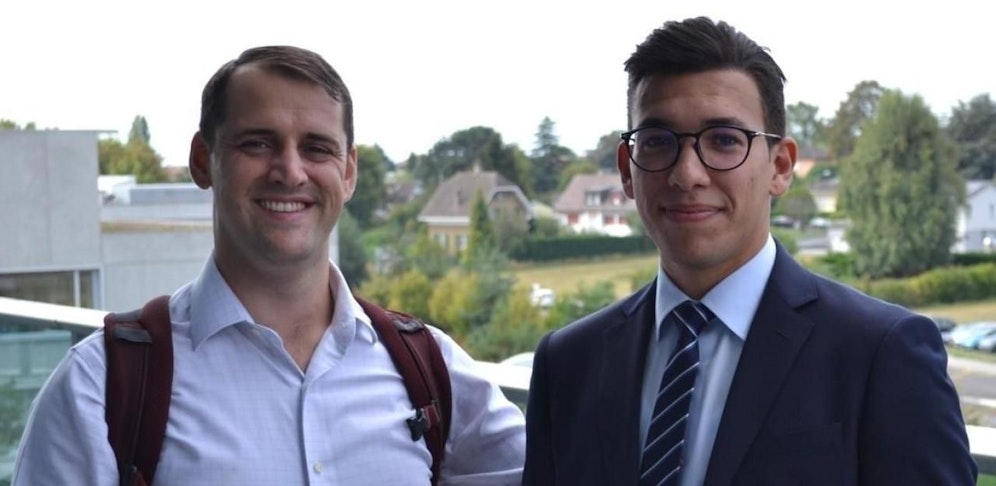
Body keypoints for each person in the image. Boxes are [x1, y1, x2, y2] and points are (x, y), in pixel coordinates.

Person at [14, 45, 525, 485]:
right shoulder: (101, 388)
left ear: (348, 173)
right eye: (257, 143)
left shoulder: (431, 369)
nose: (290, 170)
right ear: (202, 159)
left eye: (317, 148)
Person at [523, 17, 976, 486]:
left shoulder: (881, 353)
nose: (687, 174)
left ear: (780, 167)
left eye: (723, 141)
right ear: (626, 169)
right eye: (658, 142)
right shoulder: (569, 363)